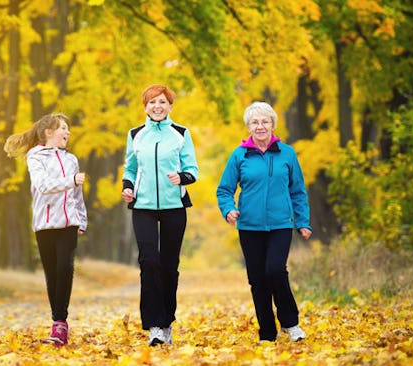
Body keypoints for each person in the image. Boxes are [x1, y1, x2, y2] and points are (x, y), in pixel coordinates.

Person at [216, 101, 312, 343]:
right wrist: (228, 210)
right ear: (248, 127)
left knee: (275, 271)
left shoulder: (287, 153)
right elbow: (224, 190)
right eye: (255, 122)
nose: (260, 126)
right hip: (249, 227)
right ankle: (267, 332)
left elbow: (298, 191)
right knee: (257, 280)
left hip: (280, 224)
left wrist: (303, 222)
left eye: (265, 121)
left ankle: (291, 324)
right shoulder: (239, 155)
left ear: (273, 125)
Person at [122, 84, 199, 346]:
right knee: (148, 261)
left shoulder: (180, 134)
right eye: (152, 102)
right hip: (142, 206)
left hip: (174, 206)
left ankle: (167, 322)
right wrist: (128, 187)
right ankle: (153, 325)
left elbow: (192, 169)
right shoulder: (135, 134)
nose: (157, 106)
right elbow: (130, 168)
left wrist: (182, 178)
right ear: (145, 107)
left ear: (170, 106)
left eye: (163, 102)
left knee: (169, 266)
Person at [4, 113, 87, 347]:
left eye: (68, 128)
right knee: (52, 273)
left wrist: (81, 220)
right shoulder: (35, 157)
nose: (68, 132)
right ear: (49, 133)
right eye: (63, 128)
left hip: (68, 222)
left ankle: (60, 323)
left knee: (65, 267)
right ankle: (57, 320)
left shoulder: (71, 159)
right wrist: (71, 180)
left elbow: (77, 195)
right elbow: (42, 186)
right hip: (45, 223)